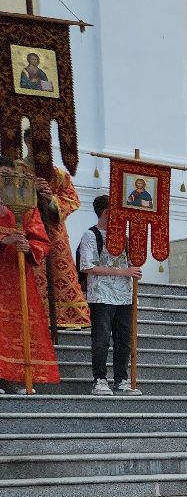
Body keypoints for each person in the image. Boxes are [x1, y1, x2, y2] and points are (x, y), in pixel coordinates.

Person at [76, 193, 142, 395]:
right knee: (102, 338)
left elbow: (131, 263)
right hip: (101, 295)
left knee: (124, 339)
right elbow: (87, 266)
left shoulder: (125, 238)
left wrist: (136, 266)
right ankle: (100, 379)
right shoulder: (91, 235)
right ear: (106, 212)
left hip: (124, 295)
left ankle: (121, 379)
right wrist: (124, 272)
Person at [0, 194, 53, 394]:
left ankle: (17, 379)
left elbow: (41, 240)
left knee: (16, 330)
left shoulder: (26, 208)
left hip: (17, 278)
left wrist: (28, 247)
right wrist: (4, 241)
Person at [36, 168, 85, 331]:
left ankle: (65, 314)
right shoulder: (16, 169)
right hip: (27, 228)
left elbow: (72, 200)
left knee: (59, 269)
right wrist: (30, 191)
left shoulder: (59, 175)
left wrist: (51, 199)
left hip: (54, 232)